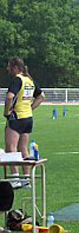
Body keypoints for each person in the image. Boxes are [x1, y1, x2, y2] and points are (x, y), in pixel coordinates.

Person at [3, 57, 45, 189]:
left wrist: (7, 111)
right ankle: (27, 179)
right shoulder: (29, 80)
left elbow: (10, 96)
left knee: (11, 148)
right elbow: (41, 96)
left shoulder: (17, 80)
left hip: (17, 117)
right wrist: (30, 107)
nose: (7, 69)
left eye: (9, 66)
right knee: (24, 149)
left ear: (15, 67)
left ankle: (15, 178)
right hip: (28, 118)